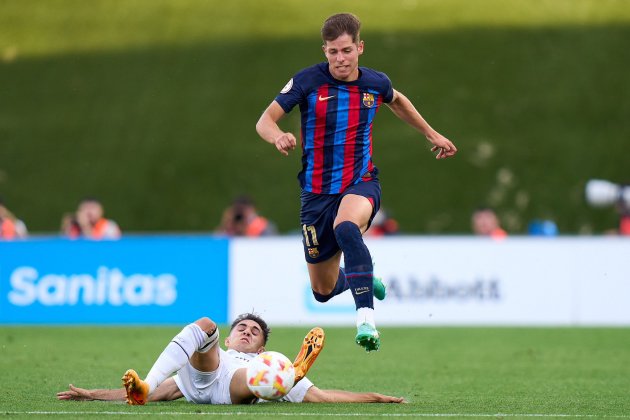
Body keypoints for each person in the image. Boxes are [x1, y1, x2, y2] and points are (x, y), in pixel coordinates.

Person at [255, 13, 457, 352]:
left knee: (346, 228)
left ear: (360, 48)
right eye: (332, 52)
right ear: (325, 51)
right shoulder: (307, 81)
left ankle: (366, 319)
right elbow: (265, 120)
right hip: (316, 194)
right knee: (322, 291)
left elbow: (398, 101)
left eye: (346, 50)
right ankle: (361, 278)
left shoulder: (374, 83)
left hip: (360, 183)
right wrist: (277, 136)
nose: (340, 59)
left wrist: (431, 133)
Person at [57, 313, 404, 405]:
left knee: (261, 374)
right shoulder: (221, 350)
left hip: (237, 386)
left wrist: (376, 397)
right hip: (204, 375)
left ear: (261, 344)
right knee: (203, 324)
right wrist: (91, 393)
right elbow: (155, 394)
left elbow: (323, 397)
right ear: (231, 334)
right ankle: (285, 378)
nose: (248, 331)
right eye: (243, 327)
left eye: (255, 331)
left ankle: (285, 377)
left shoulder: (260, 358)